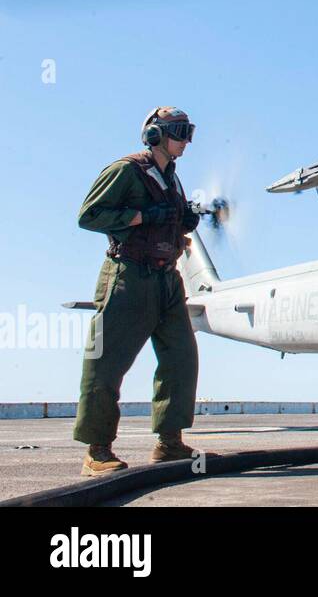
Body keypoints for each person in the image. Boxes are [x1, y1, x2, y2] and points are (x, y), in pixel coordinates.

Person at [74, 107, 204, 476]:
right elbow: (89, 216)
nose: (185, 140)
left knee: (181, 359)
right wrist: (143, 216)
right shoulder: (126, 170)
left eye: (188, 131)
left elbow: (168, 220)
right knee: (107, 362)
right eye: (179, 131)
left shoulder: (172, 179)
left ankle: (169, 443)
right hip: (129, 275)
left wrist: (182, 220)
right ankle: (97, 451)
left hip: (168, 279)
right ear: (154, 135)